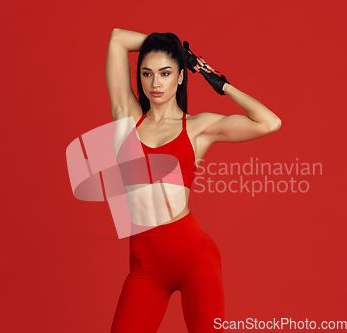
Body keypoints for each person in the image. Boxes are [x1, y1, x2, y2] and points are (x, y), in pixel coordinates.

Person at [106, 28, 281, 332]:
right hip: (144, 267)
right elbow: (117, 39)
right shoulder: (128, 117)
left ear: (180, 77)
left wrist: (221, 84)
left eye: (165, 72)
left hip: (193, 259)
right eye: (147, 74)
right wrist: (175, 49)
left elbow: (269, 122)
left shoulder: (197, 128)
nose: (156, 82)